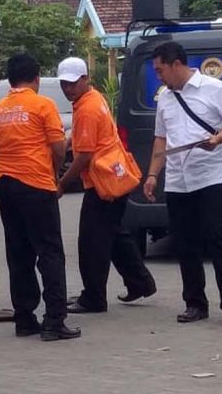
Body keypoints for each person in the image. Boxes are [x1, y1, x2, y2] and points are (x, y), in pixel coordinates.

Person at [142, 41, 222, 326]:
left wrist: (218, 139)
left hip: (209, 176)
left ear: (176, 64)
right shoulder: (164, 97)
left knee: (217, 236)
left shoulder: (213, 88)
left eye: (160, 69)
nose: (159, 76)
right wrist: (152, 174)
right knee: (184, 241)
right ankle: (195, 303)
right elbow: (161, 139)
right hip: (177, 179)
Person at [0, 53, 79, 341]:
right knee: (50, 252)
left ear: (10, 80)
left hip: (6, 185)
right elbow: (58, 147)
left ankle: (25, 319)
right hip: (37, 185)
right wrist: (52, 172)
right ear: (36, 78)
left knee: (18, 252)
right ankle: (54, 320)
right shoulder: (43, 105)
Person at [55, 57, 156, 314]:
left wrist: (62, 184)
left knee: (92, 243)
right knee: (114, 235)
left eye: (72, 84)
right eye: (64, 84)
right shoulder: (92, 99)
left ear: (85, 79)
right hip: (115, 178)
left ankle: (93, 298)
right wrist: (64, 143)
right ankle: (140, 282)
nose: (67, 89)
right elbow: (80, 139)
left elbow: (85, 156)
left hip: (102, 184)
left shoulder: (87, 108)